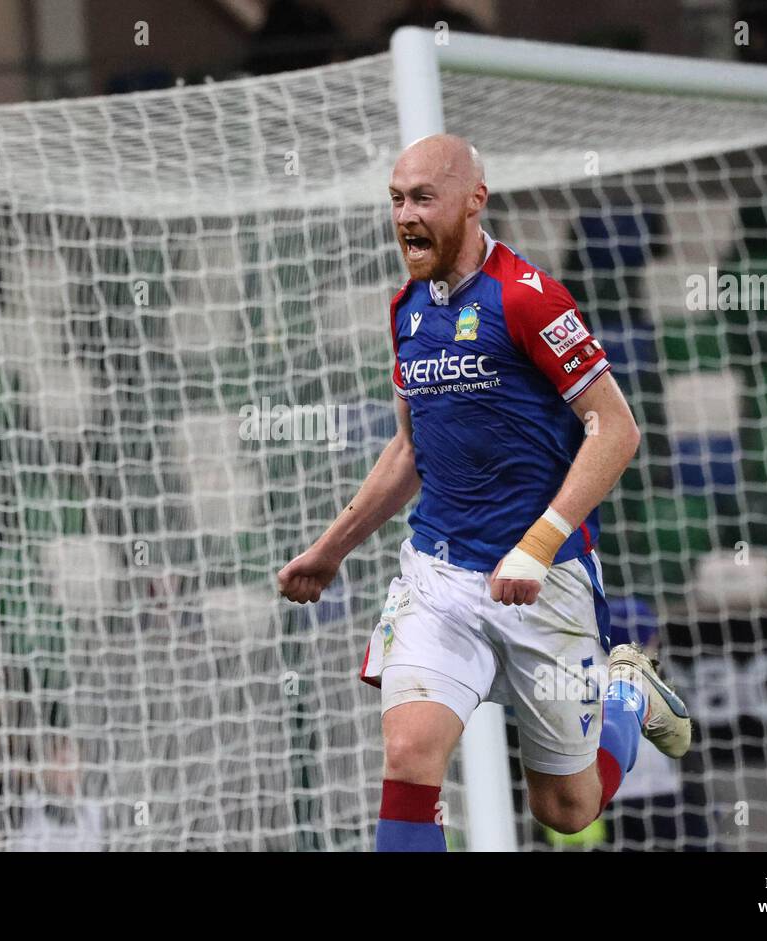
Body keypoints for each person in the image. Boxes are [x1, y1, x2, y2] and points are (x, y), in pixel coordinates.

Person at [278, 134, 692, 851]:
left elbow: (616, 429)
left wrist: (537, 544)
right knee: (409, 754)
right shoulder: (405, 308)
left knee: (567, 808)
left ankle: (628, 691)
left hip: (545, 581)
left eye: (423, 198)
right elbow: (410, 449)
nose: (405, 215)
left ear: (475, 201)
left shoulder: (530, 299)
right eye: (397, 199)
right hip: (437, 575)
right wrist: (329, 551)